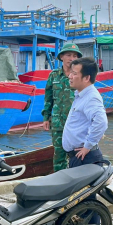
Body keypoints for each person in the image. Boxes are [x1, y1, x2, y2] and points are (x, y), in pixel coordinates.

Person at [42, 43, 82, 171]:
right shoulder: (54, 76)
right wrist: (46, 118)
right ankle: (59, 182)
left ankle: (76, 182)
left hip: (76, 124)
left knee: (76, 155)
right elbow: (48, 99)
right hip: (58, 123)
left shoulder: (80, 77)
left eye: (75, 56)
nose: (72, 58)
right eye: (69, 55)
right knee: (59, 155)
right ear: (62, 57)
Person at [62, 57, 109, 167]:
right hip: (78, 157)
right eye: (70, 73)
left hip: (85, 158)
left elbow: (101, 122)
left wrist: (87, 147)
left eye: (74, 73)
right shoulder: (81, 95)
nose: (70, 76)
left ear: (87, 78)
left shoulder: (91, 98)